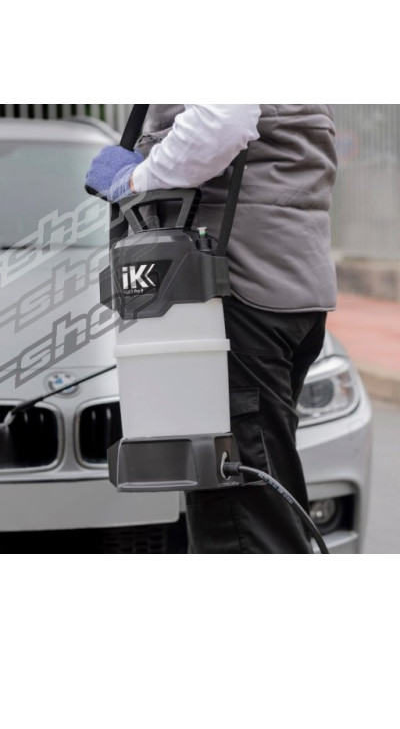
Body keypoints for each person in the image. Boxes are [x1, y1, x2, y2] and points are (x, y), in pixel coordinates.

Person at [85, 104, 338, 553]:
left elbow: (223, 120)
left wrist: (135, 179)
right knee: (263, 496)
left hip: (233, 294)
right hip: (288, 289)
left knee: (241, 522)